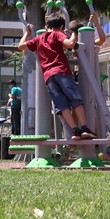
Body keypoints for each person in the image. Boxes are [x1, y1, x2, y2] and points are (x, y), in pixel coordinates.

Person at [18, 11, 97, 140]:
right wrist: (73, 35)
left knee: (62, 104)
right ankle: (84, 128)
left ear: (47, 26)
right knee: (75, 98)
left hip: (49, 77)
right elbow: (70, 44)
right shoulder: (57, 34)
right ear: (61, 27)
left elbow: (21, 46)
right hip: (62, 71)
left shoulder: (38, 39)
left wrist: (27, 33)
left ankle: (74, 130)